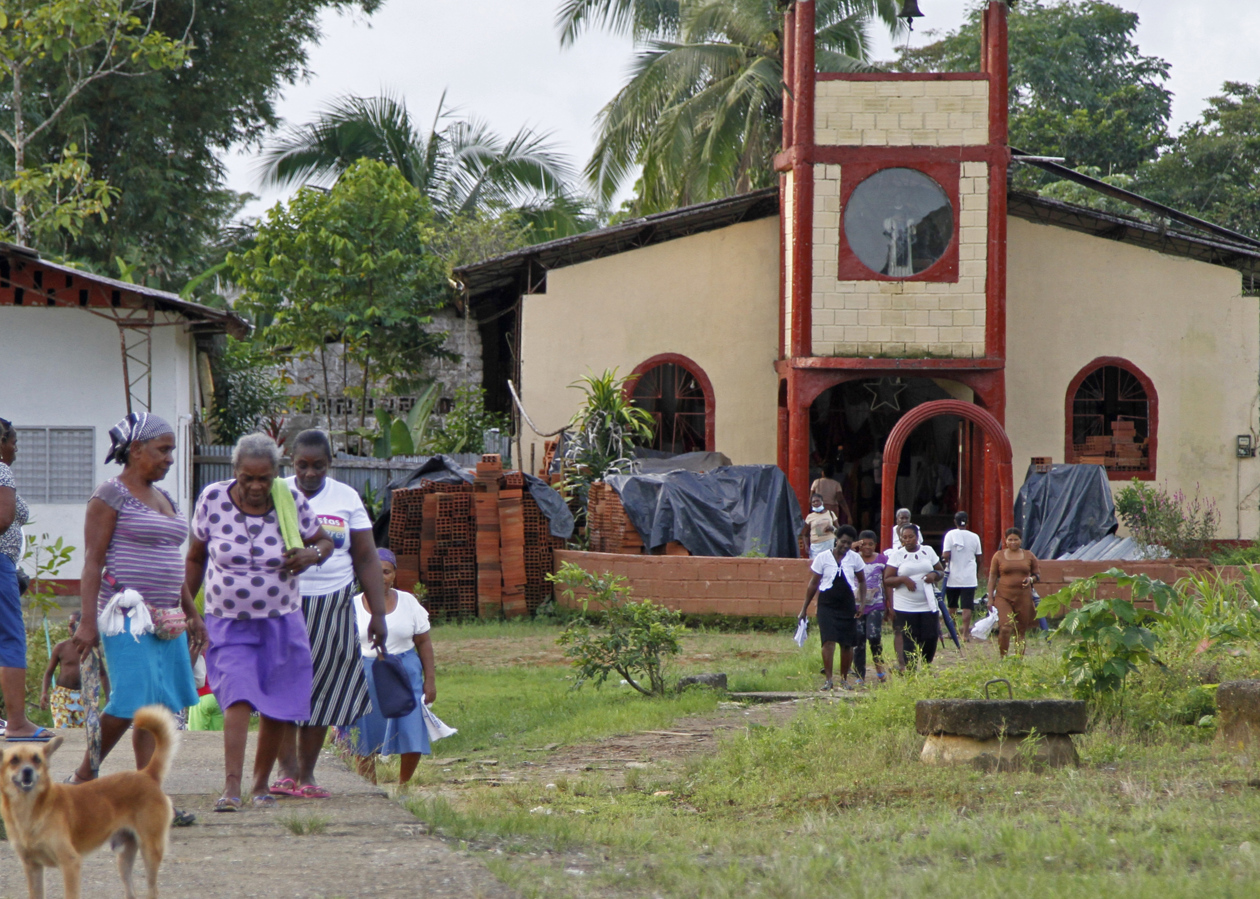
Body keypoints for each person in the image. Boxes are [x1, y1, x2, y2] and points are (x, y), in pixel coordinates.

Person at [184, 433, 336, 811]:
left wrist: (310, 555)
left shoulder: (290, 500)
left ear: (275, 476)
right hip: (227, 621)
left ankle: (261, 784)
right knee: (236, 694)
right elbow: (196, 557)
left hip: (280, 620)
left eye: (264, 479)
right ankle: (231, 788)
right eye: (247, 477)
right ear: (234, 471)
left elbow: (324, 542)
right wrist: (186, 610)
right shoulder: (213, 499)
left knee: (275, 702)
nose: (255, 486)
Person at [67, 413, 204, 830]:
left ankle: (149, 795)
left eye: (170, 450)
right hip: (124, 616)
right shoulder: (110, 495)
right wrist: (87, 622)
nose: (169, 458)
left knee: (157, 705)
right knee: (130, 701)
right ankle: (83, 777)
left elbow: (171, 564)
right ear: (135, 450)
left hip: (166, 620)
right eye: (162, 450)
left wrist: (193, 613)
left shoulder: (165, 498)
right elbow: (91, 562)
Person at [272, 429, 387, 800]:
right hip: (281, 604)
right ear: (291, 462)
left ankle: (307, 773)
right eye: (302, 465)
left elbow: (367, 557)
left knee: (324, 688)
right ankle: (285, 770)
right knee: (284, 685)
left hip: (332, 605)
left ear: (329, 464)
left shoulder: (346, 498)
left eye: (318, 466)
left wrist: (378, 614)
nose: (309, 474)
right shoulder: (275, 493)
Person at [350, 549, 436, 785]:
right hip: (365, 674)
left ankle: (404, 786)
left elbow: (424, 641)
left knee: (412, 728)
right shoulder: (352, 605)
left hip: (405, 672)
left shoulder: (408, 602)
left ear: (394, 575)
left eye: (386, 571)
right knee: (365, 732)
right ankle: (371, 789)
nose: (381, 577)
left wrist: (430, 681)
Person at [0, 416, 46, 741]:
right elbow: (4, 518)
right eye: (13, 441)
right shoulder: (1, 470)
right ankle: (17, 723)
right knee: (11, 639)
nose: (16, 448)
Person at [799, 524, 867, 690]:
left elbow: (862, 581)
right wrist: (804, 608)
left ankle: (844, 680)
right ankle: (829, 679)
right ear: (836, 540)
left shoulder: (855, 558)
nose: (845, 545)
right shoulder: (823, 557)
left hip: (847, 605)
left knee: (846, 643)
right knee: (828, 640)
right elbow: (813, 583)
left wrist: (862, 604)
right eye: (842, 541)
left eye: (849, 543)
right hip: (827, 605)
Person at [884, 523, 944, 670]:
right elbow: (887, 579)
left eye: (911, 537)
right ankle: (910, 671)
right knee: (909, 639)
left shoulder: (928, 551)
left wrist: (934, 575)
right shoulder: (897, 555)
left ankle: (925, 666)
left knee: (930, 637)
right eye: (904, 537)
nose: (908, 540)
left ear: (917, 537)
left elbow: (941, 571)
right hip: (905, 606)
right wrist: (903, 579)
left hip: (927, 605)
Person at [40, 613, 108, 728]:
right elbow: (48, 673)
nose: (70, 628)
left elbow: (102, 674)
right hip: (62, 696)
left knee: (83, 732)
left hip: (84, 695)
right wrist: (44, 693)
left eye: (74, 625)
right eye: (69, 625)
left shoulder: (91, 649)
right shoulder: (61, 648)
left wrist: (108, 698)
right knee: (63, 729)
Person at [988, 527, 1041, 658]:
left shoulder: (1029, 555)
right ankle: (1003, 658)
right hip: (1003, 596)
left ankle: (1018, 659)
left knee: (1021, 630)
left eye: (1016, 539)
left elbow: (1037, 575)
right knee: (1005, 628)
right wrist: (990, 598)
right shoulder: (998, 556)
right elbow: (993, 577)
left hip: (1023, 597)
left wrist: (1031, 579)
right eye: (1010, 539)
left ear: (1021, 541)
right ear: (1005, 541)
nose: (1013, 542)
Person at [851, 530, 887, 684]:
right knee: (858, 640)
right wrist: (853, 547)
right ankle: (860, 674)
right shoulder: (853, 559)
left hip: (876, 605)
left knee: (874, 636)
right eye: (863, 544)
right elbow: (842, 554)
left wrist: (889, 605)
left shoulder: (882, 560)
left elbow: (886, 583)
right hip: (856, 605)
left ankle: (879, 666)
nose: (867, 547)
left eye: (870, 544)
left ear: (875, 545)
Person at [941, 511, 984, 640]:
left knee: (952, 605)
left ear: (955, 521)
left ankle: (952, 632)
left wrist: (945, 560)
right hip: (969, 576)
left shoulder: (950, 535)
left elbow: (946, 555)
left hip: (953, 575)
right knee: (967, 606)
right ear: (968, 522)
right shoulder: (974, 536)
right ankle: (965, 634)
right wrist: (976, 572)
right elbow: (979, 557)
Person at [803, 492, 838, 560]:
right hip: (816, 548)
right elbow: (805, 534)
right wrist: (806, 545)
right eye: (813, 502)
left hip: (829, 545)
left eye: (817, 501)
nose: (816, 503)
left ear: (822, 502)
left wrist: (832, 529)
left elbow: (839, 530)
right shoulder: (810, 517)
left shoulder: (830, 513)